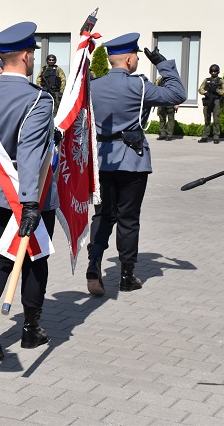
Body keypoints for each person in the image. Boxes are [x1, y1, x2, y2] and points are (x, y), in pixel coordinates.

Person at [0, 21, 56, 359]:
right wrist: (31, 202)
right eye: (32, 53)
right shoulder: (39, 99)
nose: (34, 58)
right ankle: (31, 329)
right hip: (29, 191)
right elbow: (31, 153)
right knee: (35, 259)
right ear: (24, 55)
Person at [86, 33, 186, 296]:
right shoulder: (139, 86)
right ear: (130, 59)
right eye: (137, 57)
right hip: (132, 160)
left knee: (103, 215)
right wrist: (163, 64)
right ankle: (127, 276)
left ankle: (94, 263)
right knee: (128, 219)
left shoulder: (93, 86)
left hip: (102, 160)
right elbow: (178, 93)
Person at [198, 64, 224, 144]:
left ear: (218, 72)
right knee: (207, 119)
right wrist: (206, 92)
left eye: (215, 71)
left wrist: (217, 91)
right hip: (208, 100)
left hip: (216, 101)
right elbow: (200, 89)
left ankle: (216, 137)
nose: (213, 73)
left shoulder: (221, 80)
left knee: (216, 120)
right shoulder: (206, 80)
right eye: (212, 71)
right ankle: (205, 136)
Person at [155, 75, 178, 141]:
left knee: (171, 119)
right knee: (162, 118)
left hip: (170, 101)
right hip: (161, 101)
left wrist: (176, 102)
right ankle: (162, 134)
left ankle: (169, 135)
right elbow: (155, 87)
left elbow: (176, 91)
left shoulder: (173, 79)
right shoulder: (160, 78)